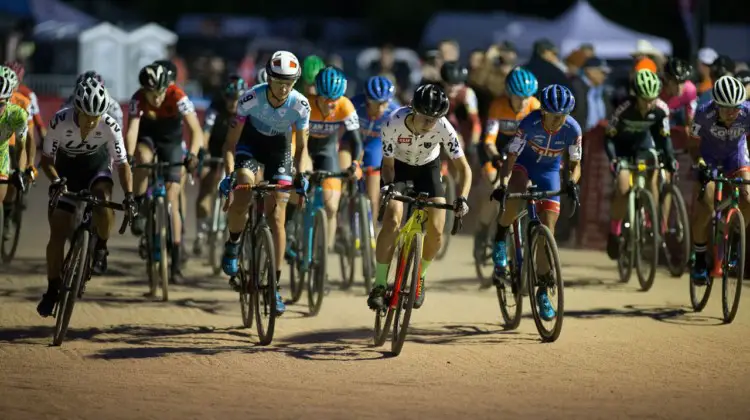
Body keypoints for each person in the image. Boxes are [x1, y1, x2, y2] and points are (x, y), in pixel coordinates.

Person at [220, 51, 311, 316]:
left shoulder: (300, 105)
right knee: (244, 192)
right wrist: (229, 175)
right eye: (279, 80)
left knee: (278, 216)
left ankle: (275, 286)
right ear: (268, 78)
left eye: (290, 81)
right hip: (249, 145)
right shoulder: (250, 98)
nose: (284, 87)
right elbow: (230, 143)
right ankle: (234, 242)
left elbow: (303, 147)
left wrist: (301, 175)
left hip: (279, 149)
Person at [366, 84, 472, 311]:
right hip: (400, 170)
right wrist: (389, 188)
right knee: (393, 218)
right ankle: (380, 283)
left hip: (428, 170)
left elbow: (464, 169)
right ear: (413, 110)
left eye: (435, 119)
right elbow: (387, 165)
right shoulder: (393, 122)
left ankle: (420, 278)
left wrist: (462, 197)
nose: (430, 124)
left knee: (436, 228)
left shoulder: (444, 127)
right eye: (425, 118)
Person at [36, 78, 135, 317]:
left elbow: (122, 165)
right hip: (67, 170)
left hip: (96, 166)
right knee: (58, 231)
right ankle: (52, 289)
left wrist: (130, 195)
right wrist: (57, 180)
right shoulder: (59, 120)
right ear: (76, 109)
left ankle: (101, 245)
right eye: (87, 116)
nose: (92, 122)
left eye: (96, 116)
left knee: (103, 198)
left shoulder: (110, 125)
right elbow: (47, 161)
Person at [489, 84, 582, 321]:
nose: (557, 122)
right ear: (543, 113)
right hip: (523, 165)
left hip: (550, 171)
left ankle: (542, 288)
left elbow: (575, 164)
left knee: (548, 226)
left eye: (562, 117)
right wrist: (503, 183)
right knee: (515, 197)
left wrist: (572, 181)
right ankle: (500, 236)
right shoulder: (529, 123)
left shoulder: (573, 129)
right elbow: (511, 156)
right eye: (553, 117)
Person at [126, 63, 203, 283]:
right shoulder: (137, 98)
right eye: (152, 95)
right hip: (147, 138)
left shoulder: (178, 95)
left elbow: (196, 130)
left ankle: (176, 261)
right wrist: (129, 156)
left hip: (172, 141)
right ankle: (140, 206)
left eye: (160, 93)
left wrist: (194, 155)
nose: (157, 99)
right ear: (144, 91)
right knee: (143, 159)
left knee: (172, 200)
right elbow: (132, 130)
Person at [604, 69, 676, 259]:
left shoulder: (661, 109)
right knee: (622, 186)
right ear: (636, 95)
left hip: (643, 147)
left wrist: (669, 158)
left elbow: (664, 137)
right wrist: (613, 159)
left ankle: (651, 220)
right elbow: (609, 138)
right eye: (645, 99)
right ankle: (615, 231)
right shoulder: (623, 108)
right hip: (621, 149)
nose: (649, 103)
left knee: (655, 170)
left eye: (653, 98)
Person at [689, 76, 750, 284]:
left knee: (748, 198)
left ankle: (733, 237)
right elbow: (693, 144)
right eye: (726, 108)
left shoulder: (747, 112)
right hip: (709, 159)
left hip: (737, 157)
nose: (732, 113)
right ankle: (698, 257)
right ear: (716, 105)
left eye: (736, 108)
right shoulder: (703, 113)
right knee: (706, 202)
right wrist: (700, 164)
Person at [476, 67, 540, 253]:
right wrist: (495, 157)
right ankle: (482, 228)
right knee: (495, 189)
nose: (523, 102)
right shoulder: (498, 106)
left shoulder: (534, 107)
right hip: (496, 150)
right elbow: (489, 140)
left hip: (519, 151)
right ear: (509, 94)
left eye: (527, 97)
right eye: (518, 97)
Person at [304, 66, 363, 250]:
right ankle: (291, 232)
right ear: (317, 94)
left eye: (335, 99)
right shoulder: (305, 104)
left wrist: (355, 164)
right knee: (296, 193)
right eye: (326, 99)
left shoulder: (345, 105)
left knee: (331, 207)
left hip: (327, 151)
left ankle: (324, 254)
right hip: (304, 148)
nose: (331, 104)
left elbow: (357, 142)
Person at [193, 75, 247, 255]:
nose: (232, 103)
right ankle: (201, 233)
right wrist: (204, 151)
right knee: (207, 185)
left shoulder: (247, 111)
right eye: (229, 99)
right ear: (223, 97)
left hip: (236, 150)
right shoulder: (215, 108)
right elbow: (205, 132)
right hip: (215, 149)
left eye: (236, 99)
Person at [350, 76, 400, 220]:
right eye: (375, 103)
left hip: (375, 143)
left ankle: (371, 229)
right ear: (366, 99)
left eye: (384, 103)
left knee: (373, 190)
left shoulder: (395, 112)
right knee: (345, 167)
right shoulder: (354, 105)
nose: (380, 108)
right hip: (353, 140)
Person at [441, 61, 482, 160]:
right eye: (449, 84)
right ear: (443, 82)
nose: (452, 88)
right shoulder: (437, 92)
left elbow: (475, 122)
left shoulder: (467, 94)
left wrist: (473, 144)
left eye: (457, 84)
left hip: (462, 125)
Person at [569, 56, 611, 131]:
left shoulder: (601, 90)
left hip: (598, 136)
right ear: (589, 71)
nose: (604, 77)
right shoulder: (575, 88)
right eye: (602, 72)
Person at [661, 57, 697, 129]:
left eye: (682, 82)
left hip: (675, 119)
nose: (679, 87)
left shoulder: (690, 90)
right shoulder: (658, 90)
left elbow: (690, 121)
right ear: (666, 79)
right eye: (676, 82)